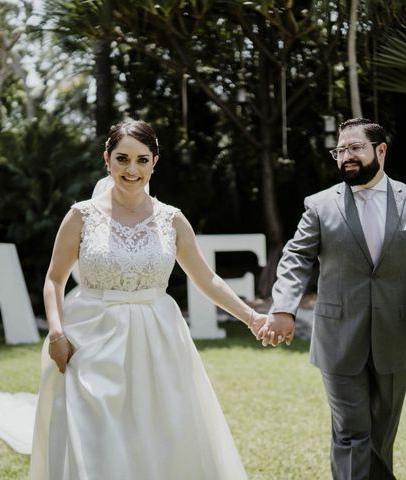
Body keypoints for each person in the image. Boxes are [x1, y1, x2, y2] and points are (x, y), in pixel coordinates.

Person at [29, 119, 268, 479]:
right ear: (106, 159)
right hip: (89, 339)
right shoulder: (80, 216)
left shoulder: (172, 220)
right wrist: (57, 334)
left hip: (158, 340)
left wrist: (252, 318)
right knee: (94, 436)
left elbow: (207, 278)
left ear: (155, 162)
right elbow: (54, 279)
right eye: (122, 159)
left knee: (160, 438)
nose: (132, 169)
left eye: (142, 160)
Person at [265, 118, 406, 479]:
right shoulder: (319, 206)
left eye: (355, 148)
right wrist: (284, 308)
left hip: (395, 336)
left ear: (380, 151)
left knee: (381, 439)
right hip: (338, 337)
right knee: (352, 434)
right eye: (340, 150)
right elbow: (296, 258)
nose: (346, 156)